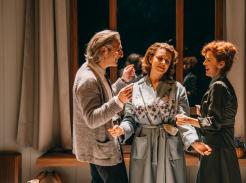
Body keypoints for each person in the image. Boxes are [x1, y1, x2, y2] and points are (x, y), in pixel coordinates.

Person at [108, 42, 211, 183]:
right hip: (143, 146)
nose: (163, 63)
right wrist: (121, 129)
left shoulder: (177, 89)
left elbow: (183, 120)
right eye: (160, 58)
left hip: (170, 144)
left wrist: (194, 141)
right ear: (150, 58)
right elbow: (129, 119)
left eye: (167, 61)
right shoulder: (135, 88)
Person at [72, 30, 135, 183]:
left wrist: (122, 81)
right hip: (102, 151)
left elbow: (103, 97)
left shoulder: (95, 71)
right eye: (118, 49)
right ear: (104, 50)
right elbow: (92, 119)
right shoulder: (88, 79)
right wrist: (119, 101)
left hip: (100, 148)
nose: (121, 53)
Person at [176, 41, 242, 183]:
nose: (204, 63)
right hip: (222, 146)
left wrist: (188, 120)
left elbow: (214, 123)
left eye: (208, 60)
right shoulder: (222, 84)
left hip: (217, 148)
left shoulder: (218, 86)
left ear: (221, 64)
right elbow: (220, 117)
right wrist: (203, 113)